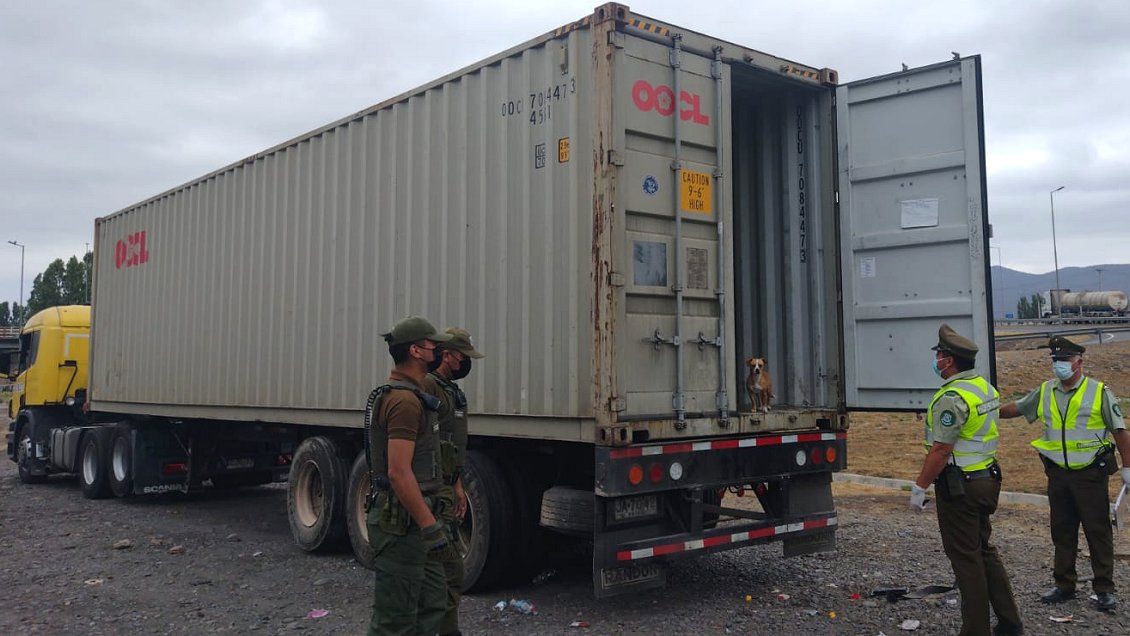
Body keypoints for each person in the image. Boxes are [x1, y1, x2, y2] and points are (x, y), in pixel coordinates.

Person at [999, 335, 1130, 611]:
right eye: (1056, 360)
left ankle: (1104, 588)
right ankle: (1064, 585)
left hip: (1090, 475)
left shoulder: (1099, 392)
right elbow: (1018, 407)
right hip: (1058, 474)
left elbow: (1120, 431)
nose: (1059, 365)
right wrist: (986, 411)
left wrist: (1127, 469)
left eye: (1065, 360)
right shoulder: (1047, 390)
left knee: (1097, 531)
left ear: (1079, 362)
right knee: (1062, 531)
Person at [909, 324, 1022, 636]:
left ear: (950, 360)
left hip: (960, 486)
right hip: (986, 479)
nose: (937, 360)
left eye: (940, 355)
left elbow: (942, 448)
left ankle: (976, 630)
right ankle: (1010, 622)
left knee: (965, 558)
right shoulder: (983, 388)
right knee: (983, 549)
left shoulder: (952, 396)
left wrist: (919, 486)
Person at [365, 315, 455, 636]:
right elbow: (398, 472)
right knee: (396, 619)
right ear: (416, 352)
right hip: (402, 525)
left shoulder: (415, 393)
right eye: (433, 346)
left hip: (418, 517)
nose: (439, 352)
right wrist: (430, 528)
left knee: (433, 604)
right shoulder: (403, 401)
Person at [423, 327, 484, 636]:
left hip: (448, 485)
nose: (466, 363)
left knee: (452, 570)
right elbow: (423, 443)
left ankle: (447, 628)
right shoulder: (429, 387)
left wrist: (458, 485)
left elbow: (454, 447)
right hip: (432, 491)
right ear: (447, 355)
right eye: (462, 356)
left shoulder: (451, 389)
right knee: (442, 568)